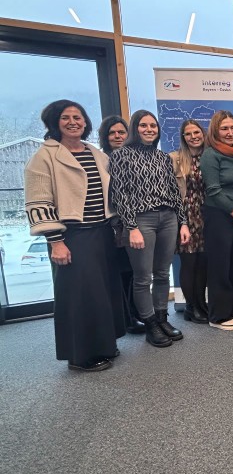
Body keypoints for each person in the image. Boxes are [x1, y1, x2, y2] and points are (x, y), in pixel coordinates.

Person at [24, 100, 125, 371]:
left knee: (101, 292)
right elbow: (39, 202)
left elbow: (110, 194)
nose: (73, 122)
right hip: (71, 237)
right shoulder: (44, 157)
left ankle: (104, 344)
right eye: (66, 117)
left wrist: (117, 226)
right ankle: (79, 357)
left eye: (78, 117)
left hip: (101, 232)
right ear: (54, 122)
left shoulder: (95, 153)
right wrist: (55, 241)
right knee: (78, 297)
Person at [110, 110, 190, 348]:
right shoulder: (121, 155)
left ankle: (162, 318)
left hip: (168, 218)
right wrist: (131, 226)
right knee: (143, 277)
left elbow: (175, 192)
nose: (149, 129)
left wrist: (183, 221)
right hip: (140, 221)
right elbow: (120, 194)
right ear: (135, 128)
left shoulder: (163, 157)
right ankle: (150, 324)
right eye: (143, 125)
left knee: (163, 273)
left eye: (153, 126)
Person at [200, 110, 233, 331]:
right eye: (224, 129)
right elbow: (213, 189)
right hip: (220, 215)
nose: (230, 133)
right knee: (220, 265)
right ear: (215, 132)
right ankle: (218, 315)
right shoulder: (210, 155)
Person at [98, 115, 146, 335]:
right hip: (108, 224)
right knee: (120, 272)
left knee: (133, 271)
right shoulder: (101, 160)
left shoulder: (132, 158)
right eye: (112, 133)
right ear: (105, 137)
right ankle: (126, 317)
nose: (117, 136)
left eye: (121, 132)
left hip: (132, 222)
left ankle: (136, 314)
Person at [170, 119, 209, 325]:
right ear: (183, 137)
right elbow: (171, 193)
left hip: (207, 215)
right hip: (185, 217)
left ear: (202, 133)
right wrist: (181, 221)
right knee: (189, 263)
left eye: (196, 132)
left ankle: (201, 304)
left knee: (203, 263)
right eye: (188, 133)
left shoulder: (209, 156)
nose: (193, 136)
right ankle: (191, 307)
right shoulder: (175, 159)